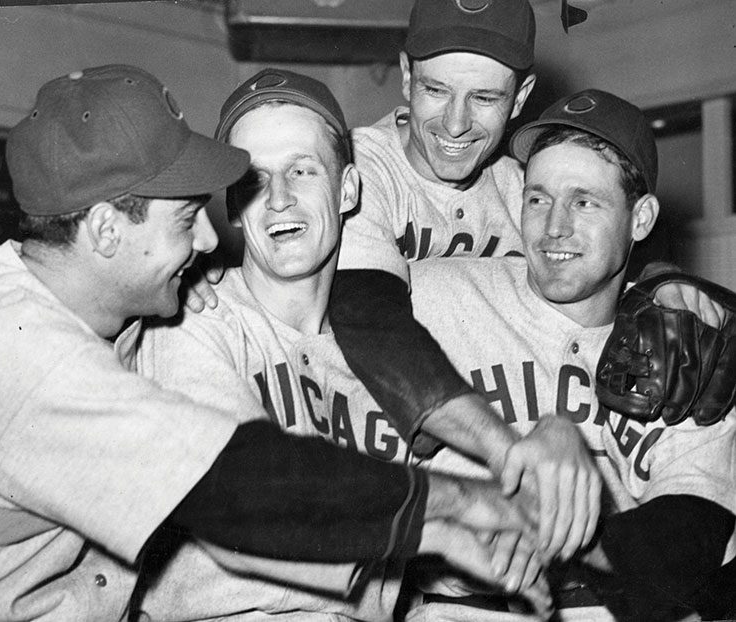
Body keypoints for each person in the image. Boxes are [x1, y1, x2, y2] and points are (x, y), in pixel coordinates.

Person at [0, 64, 552, 622]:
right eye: (186, 219)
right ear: (107, 230)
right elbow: (238, 492)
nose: (212, 242)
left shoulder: (82, 300)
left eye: (302, 171)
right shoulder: (26, 356)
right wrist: (450, 511)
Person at [134, 68, 551, 621]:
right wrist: (442, 521)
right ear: (233, 205)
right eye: (255, 180)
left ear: (348, 189)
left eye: (303, 171)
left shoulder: (395, 358)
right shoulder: (195, 323)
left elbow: (488, 502)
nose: (279, 199)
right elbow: (242, 509)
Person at [404, 89, 736, 620]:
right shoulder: (435, 294)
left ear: (642, 218)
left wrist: (544, 539)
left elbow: (692, 528)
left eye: (584, 201)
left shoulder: (686, 338)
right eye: (538, 199)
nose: (553, 227)